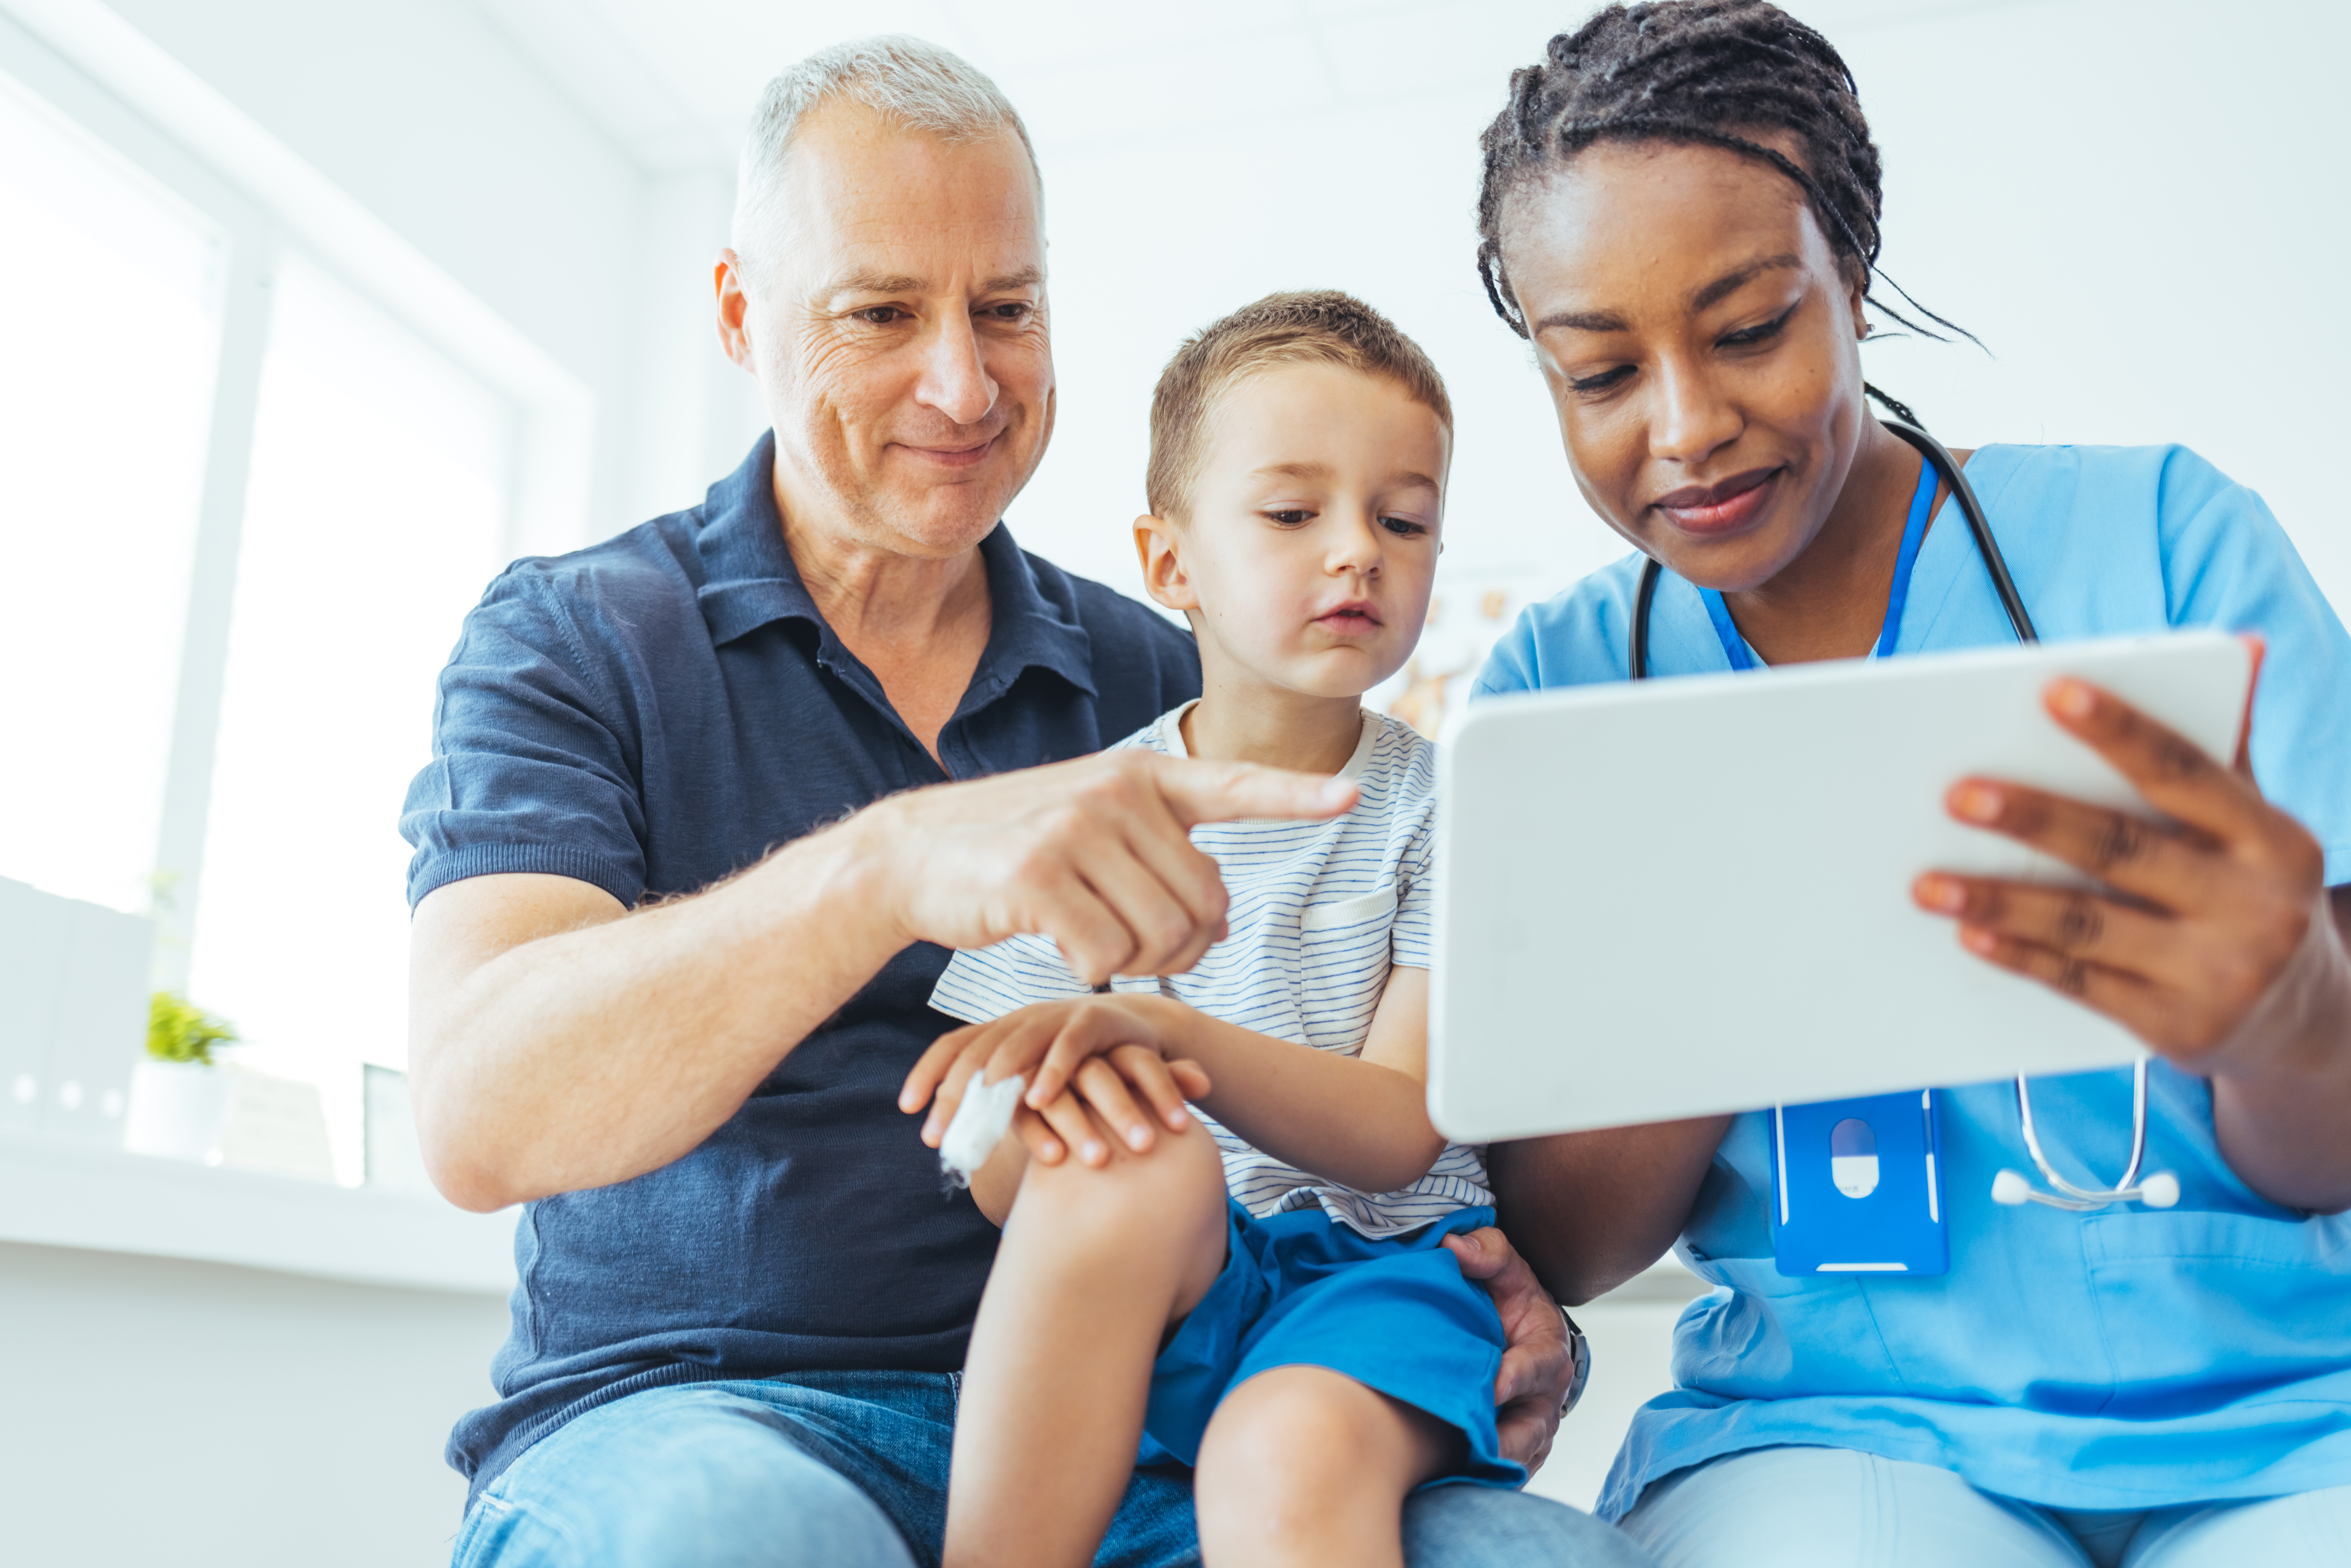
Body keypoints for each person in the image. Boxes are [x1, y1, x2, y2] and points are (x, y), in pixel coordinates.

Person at [402, 36, 1607, 1568]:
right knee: (732, 1540)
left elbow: (1350, 1081)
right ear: (738, 316)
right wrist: (883, 867)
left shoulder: (1167, 680)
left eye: (1009, 310)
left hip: (1161, 1407)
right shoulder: (581, 637)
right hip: (712, 1412)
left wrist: (1491, 1294)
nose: (963, 383)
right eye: (883, 312)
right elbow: (476, 1113)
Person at [1462, 3, 2351, 1565]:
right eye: (1600, 372)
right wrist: (1733, 958)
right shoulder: (1561, 691)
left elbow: (2330, 1142)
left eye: (1749, 327)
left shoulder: (2166, 542)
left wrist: (2288, 1019)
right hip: (1840, 1433)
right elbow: (1579, 1247)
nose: (1686, 427)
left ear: (1852, 278)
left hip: (2292, 1410)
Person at [902, 292, 1599, 1568]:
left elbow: (1397, 1133)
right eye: (1292, 514)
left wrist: (1155, 1029)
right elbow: (999, 1168)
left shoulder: (1453, 809)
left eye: (1404, 520)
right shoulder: (1073, 818)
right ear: (1171, 565)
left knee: (1278, 1454)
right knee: (1120, 1163)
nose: (1357, 554)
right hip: (1175, 1283)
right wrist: (1047, 1112)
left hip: (1383, 1283)